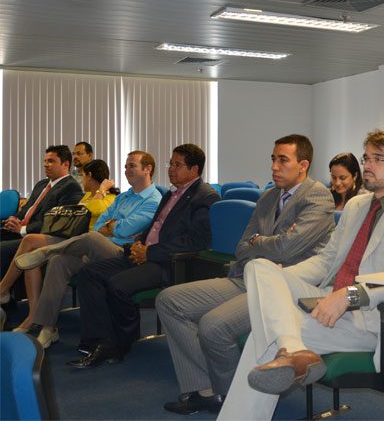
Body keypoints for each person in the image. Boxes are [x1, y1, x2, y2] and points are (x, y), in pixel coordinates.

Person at [217, 130, 384, 420]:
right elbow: (326, 260)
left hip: (370, 318)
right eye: (366, 158)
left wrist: (349, 297)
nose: (368, 165)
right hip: (327, 297)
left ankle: (286, 352)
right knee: (258, 267)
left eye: (378, 159)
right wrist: (280, 280)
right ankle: (293, 348)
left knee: (265, 338)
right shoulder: (357, 205)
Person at [157, 134, 335, 415]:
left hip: (281, 287)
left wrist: (258, 242)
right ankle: (208, 388)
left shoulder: (317, 196)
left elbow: (287, 250)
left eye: (283, 160)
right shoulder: (268, 197)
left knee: (213, 326)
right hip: (246, 276)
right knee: (169, 301)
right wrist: (264, 245)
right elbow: (242, 247)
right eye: (273, 159)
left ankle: (234, 403)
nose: (274, 167)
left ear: (303, 165)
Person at [67, 144, 221, 368]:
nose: (170, 169)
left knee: (117, 284)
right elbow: (155, 227)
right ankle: (99, 340)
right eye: (170, 163)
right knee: (89, 273)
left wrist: (150, 252)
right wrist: (139, 245)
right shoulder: (170, 194)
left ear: (194, 169)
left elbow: (195, 241)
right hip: (145, 253)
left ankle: (120, 342)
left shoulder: (205, 197)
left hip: (169, 263)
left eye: (177, 165)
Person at [14, 151, 162, 348]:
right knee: (59, 262)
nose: (127, 170)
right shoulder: (124, 197)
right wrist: (111, 226)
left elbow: (126, 229)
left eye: (132, 166)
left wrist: (111, 227)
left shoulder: (154, 200)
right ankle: (48, 328)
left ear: (148, 169)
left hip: (123, 253)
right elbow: (99, 223)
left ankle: (47, 251)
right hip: (99, 249)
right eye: (126, 166)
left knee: (91, 238)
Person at [0, 160, 118, 331]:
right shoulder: (86, 196)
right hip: (69, 237)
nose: (81, 180)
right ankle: (33, 315)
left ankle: (3, 290)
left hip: (86, 244)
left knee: (30, 242)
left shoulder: (110, 198)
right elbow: (75, 214)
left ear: (90, 176)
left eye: (83, 176)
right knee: (31, 255)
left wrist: (100, 191)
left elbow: (92, 210)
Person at [1, 145, 83, 279]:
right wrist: (14, 220)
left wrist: (22, 229)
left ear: (65, 164)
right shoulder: (42, 184)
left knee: (1, 249)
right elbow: (27, 209)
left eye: (51, 161)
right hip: (20, 232)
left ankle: (5, 291)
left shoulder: (71, 187)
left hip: (38, 237)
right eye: (45, 161)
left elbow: (56, 223)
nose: (46, 165)